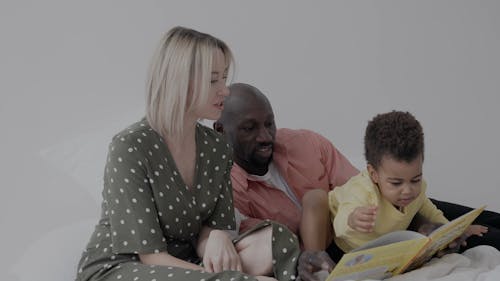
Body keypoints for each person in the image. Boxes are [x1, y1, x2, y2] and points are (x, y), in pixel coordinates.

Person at [75, 27, 299, 281]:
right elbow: (150, 256)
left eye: (224, 78)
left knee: (276, 240)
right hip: (126, 268)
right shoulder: (130, 147)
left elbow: (215, 227)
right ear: (178, 80)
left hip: (188, 260)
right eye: (213, 79)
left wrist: (214, 237)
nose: (224, 90)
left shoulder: (217, 146)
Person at [214, 84, 500, 281]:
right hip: (344, 247)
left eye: (269, 123)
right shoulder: (228, 189)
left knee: (478, 221)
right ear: (220, 129)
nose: (266, 136)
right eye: (250, 128)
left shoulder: (306, 144)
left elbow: (365, 186)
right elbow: (273, 247)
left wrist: (419, 218)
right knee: (483, 239)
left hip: (389, 208)